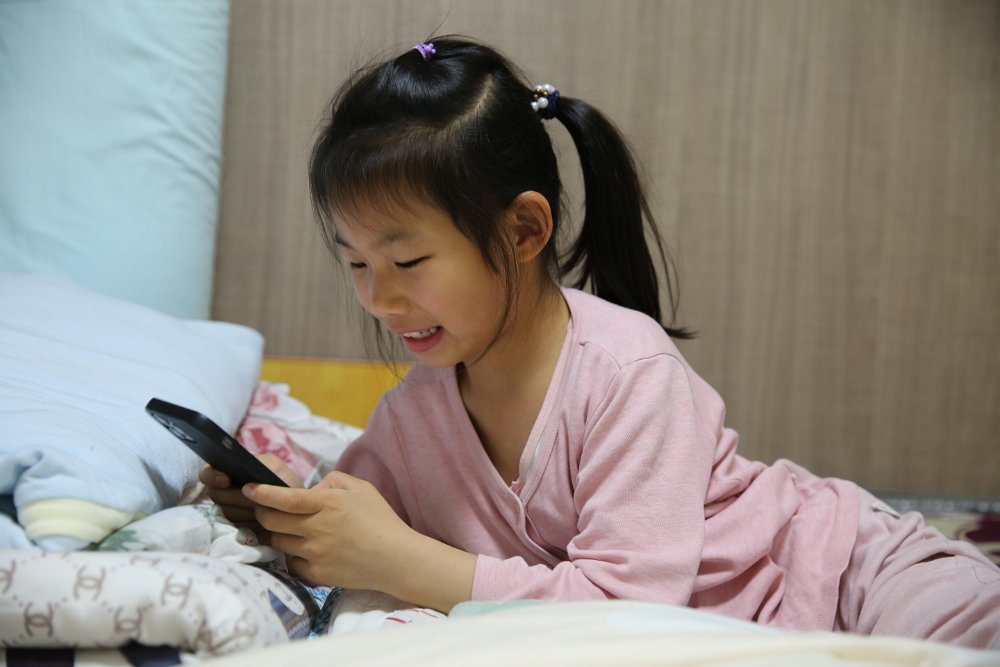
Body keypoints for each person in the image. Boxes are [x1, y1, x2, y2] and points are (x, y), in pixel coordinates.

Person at [202, 36, 1000, 649]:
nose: (379, 297)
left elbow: (625, 614)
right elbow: (357, 529)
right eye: (356, 263)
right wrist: (282, 510)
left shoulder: (628, 370)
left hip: (846, 574)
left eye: (407, 261)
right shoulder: (412, 417)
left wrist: (402, 560)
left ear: (524, 229)